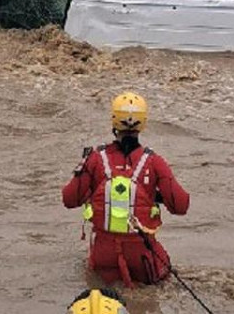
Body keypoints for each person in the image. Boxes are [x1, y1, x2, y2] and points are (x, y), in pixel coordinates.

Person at [62, 92, 190, 287]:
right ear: (143, 123)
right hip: (141, 257)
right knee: (164, 275)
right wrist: (155, 196)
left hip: (103, 256)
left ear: (114, 121)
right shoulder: (155, 162)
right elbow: (181, 206)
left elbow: (69, 199)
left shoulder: (95, 158)